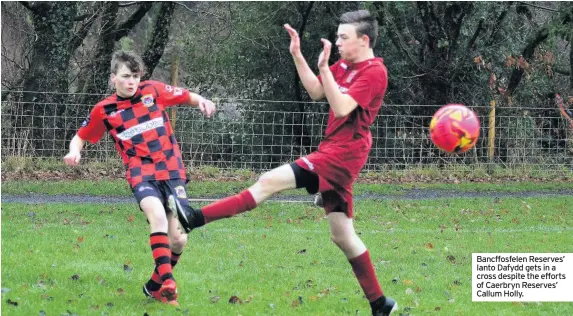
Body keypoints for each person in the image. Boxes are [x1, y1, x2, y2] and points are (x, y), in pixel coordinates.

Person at [179, 10, 397, 316]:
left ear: (364, 40)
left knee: (268, 182)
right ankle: (380, 303)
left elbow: (342, 107)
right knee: (342, 235)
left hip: (342, 154)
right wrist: (298, 56)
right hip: (335, 149)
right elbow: (317, 91)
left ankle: (194, 218)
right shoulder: (347, 64)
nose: (337, 43)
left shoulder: (374, 72)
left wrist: (325, 68)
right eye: (337, 37)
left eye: (343, 38)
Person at [63, 50, 216, 306]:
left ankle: (155, 285)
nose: (131, 81)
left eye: (135, 76)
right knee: (156, 215)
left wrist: (202, 101)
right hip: (141, 172)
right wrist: (73, 151)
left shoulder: (153, 91)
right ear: (113, 78)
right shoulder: (105, 110)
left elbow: (186, 96)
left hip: (171, 170)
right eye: (125, 76)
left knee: (179, 238)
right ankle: (168, 284)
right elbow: (80, 136)